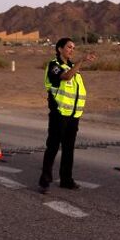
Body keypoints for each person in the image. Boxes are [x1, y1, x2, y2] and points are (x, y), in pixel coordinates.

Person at [38, 37, 96, 194]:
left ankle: (66, 180)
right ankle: (45, 181)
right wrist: (81, 61)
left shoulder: (72, 67)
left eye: (73, 48)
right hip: (59, 115)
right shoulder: (54, 65)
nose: (72, 50)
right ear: (59, 49)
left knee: (69, 149)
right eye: (69, 47)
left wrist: (77, 64)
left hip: (73, 116)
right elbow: (66, 77)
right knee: (53, 147)